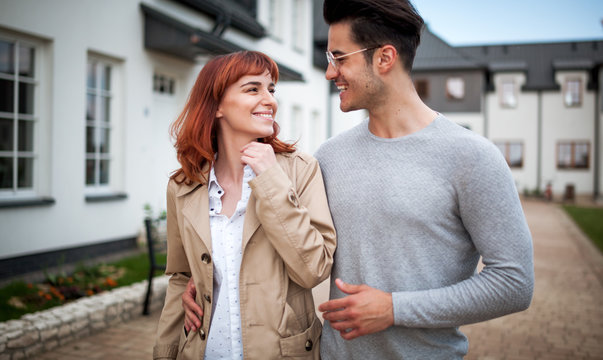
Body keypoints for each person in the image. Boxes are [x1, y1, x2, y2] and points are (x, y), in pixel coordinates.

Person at [183, 0, 534, 358]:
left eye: (339, 58)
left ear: (384, 58)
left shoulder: (471, 157)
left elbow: (514, 283)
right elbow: (281, 244)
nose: (329, 73)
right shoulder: (329, 158)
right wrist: (204, 282)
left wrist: (394, 308)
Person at [153, 51, 336, 360]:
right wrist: (165, 353)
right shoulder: (182, 186)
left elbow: (313, 270)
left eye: (271, 89)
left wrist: (271, 181)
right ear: (218, 105)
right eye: (253, 89)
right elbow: (181, 279)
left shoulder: (301, 170)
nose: (270, 100)